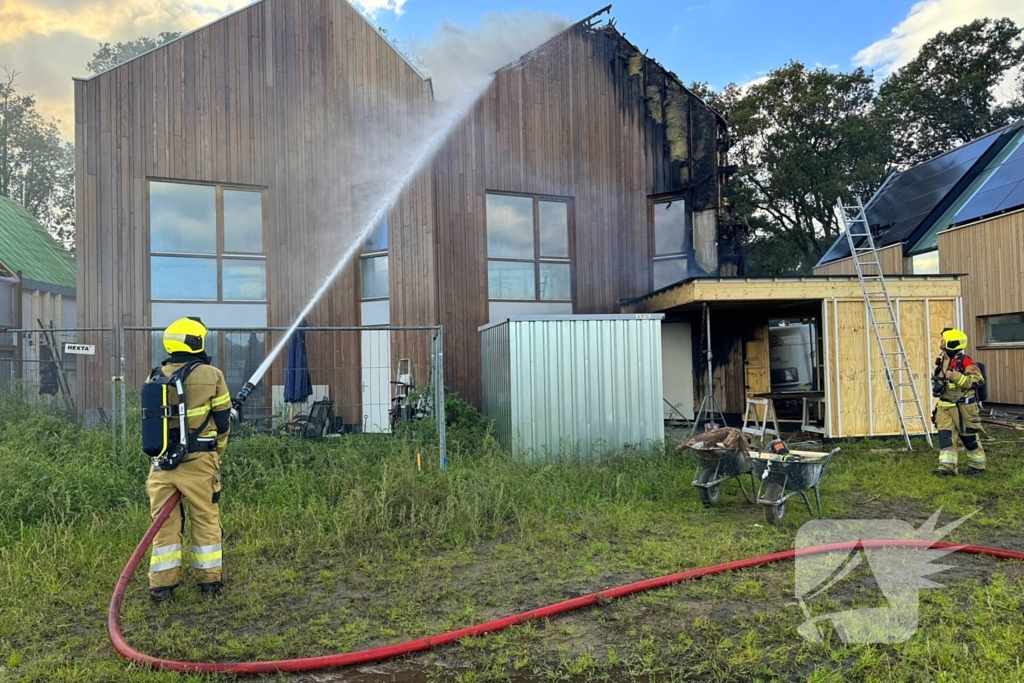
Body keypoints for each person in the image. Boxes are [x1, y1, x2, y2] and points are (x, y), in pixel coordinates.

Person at [147, 317, 232, 602]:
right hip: (199, 462)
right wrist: (217, 451)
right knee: (205, 519)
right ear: (197, 341)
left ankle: (162, 587)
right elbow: (222, 422)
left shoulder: (154, 376)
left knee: (163, 525)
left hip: (161, 465)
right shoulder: (211, 374)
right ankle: (209, 583)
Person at [932, 328, 986, 477]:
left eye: (944, 340)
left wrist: (956, 377)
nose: (941, 343)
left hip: (963, 407)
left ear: (952, 343)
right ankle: (947, 469)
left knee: (969, 438)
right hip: (944, 405)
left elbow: (978, 381)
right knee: (946, 438)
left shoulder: (965, 361)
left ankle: (977, 466)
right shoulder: (942, 359)